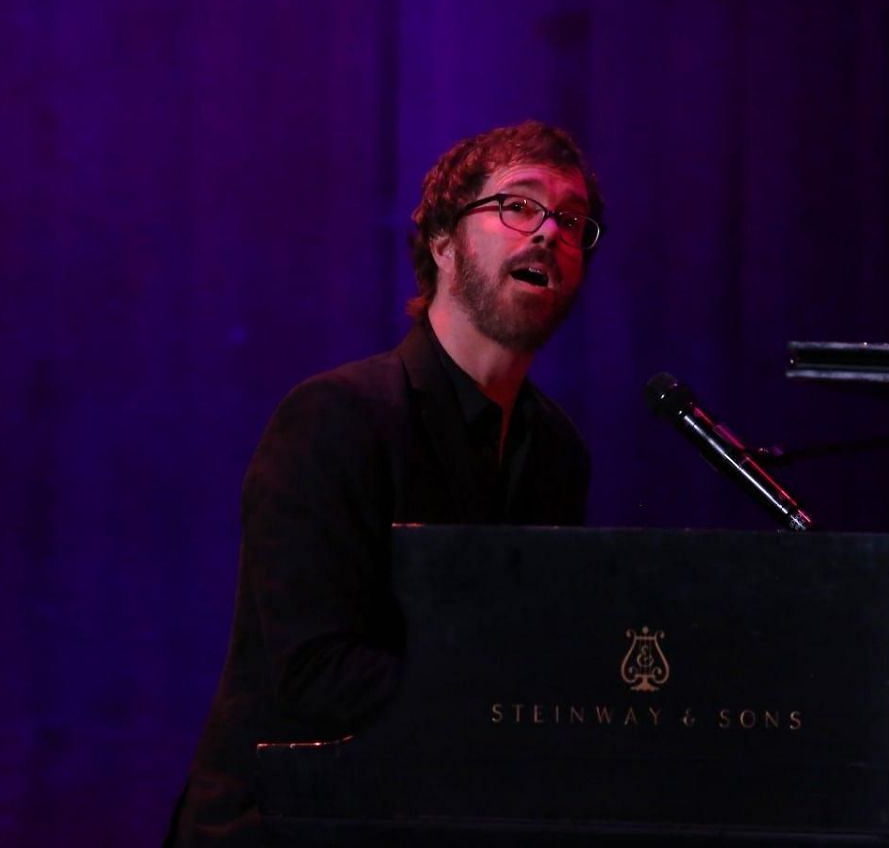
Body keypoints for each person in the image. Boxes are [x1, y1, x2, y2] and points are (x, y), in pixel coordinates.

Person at [167, 120, 604, 845]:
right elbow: (316, 669)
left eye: (573, 221)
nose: (547, 233)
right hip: (288, 823)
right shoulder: (336, 418)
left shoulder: (557, 451)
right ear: (441, 240)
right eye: (518, 206)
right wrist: (512, 708)